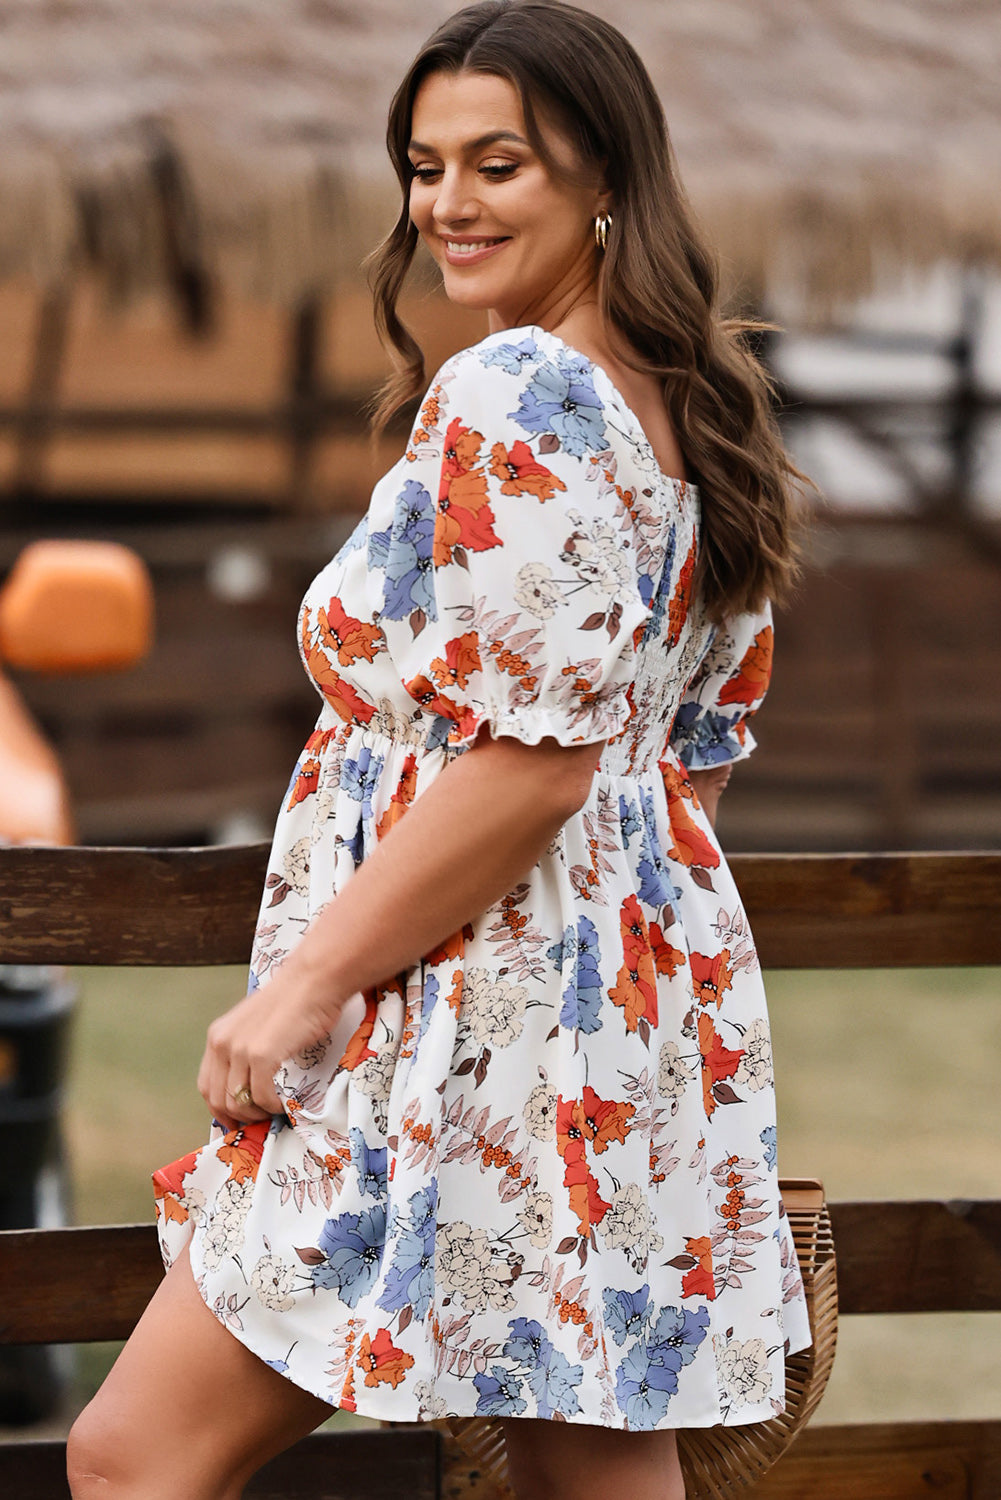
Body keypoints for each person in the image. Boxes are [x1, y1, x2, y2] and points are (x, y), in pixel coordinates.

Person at [67, 3, 812, 1497]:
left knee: (131, 1455)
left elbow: (534, 765)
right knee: (590, 1464)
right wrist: (596, 943)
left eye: (498, 165)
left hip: (458, 996)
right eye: (424, 166)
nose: (446, 206)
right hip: (625, 1019)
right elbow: (687, 761)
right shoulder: (688, 407)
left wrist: (305, 988)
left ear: (604, 179)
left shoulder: (518, 389)